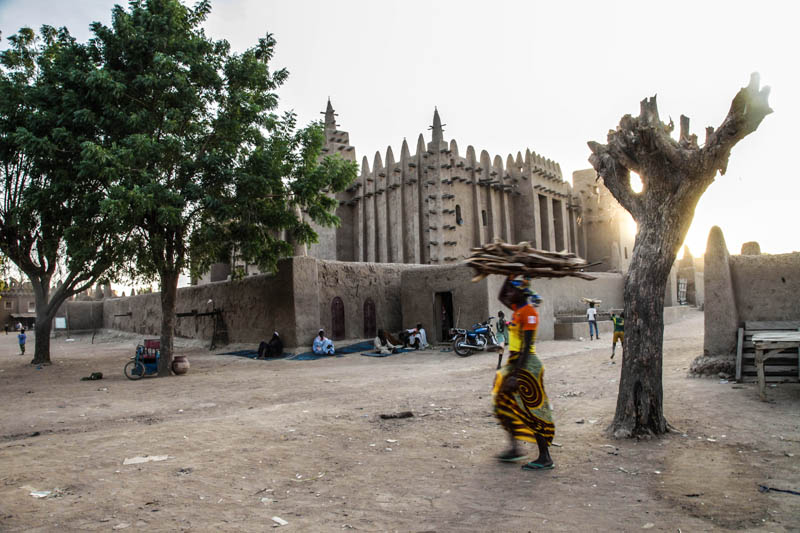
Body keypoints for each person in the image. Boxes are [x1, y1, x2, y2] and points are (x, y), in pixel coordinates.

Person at [493, 276, 555, 471]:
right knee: (504, 402)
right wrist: (509, 274)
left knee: (533, 409)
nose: (510, 293)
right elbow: (501, 295)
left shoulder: (529, 313)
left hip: (527, 364)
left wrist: (516, 375)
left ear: (522, 293)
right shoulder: (517, 310)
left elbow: (527, 347)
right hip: (516, 363)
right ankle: (514, 448)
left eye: (514, 289)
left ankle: (545, 457)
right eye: (511, 289)